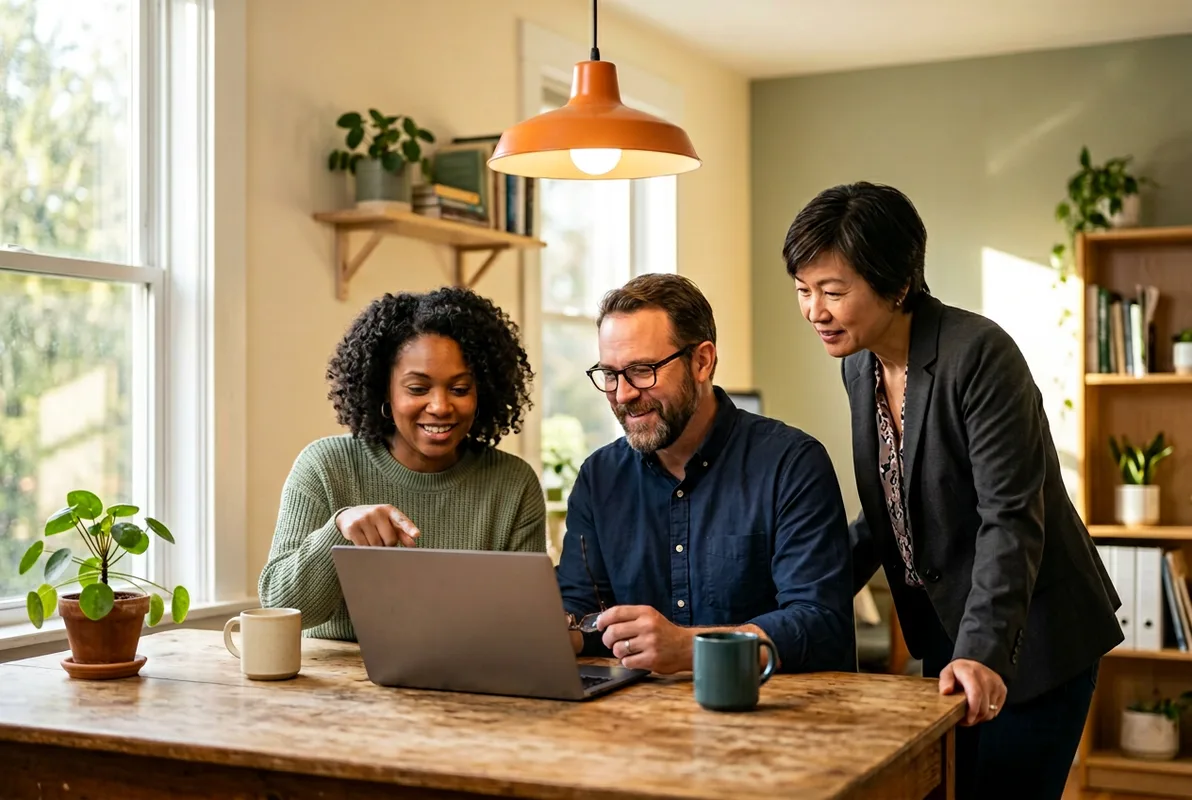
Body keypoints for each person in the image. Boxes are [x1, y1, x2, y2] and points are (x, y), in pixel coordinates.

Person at [783, 181, 1123, 798]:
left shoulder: (979, 355)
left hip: (1032, 634)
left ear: (896, 283)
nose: (814, 311)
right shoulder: (858, 365)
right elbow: (888, 509)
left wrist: (983, 652)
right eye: (804, 290)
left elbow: (1010, 517)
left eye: (833, 291)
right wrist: (793, 600)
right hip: (949, 631)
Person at [555, 273, 855, 675]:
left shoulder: (792, 464)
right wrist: (549, 630)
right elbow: (583, 615)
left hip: (771, 708)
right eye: (610, 374)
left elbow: (819, 624)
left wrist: (690, 647)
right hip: (633, 710)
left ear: (702, 361)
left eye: (642, 370)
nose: (623, 394)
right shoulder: (599, 478)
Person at [258, 287, 546, 640]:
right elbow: (279, 607)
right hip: (336, 673)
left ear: (482, 392)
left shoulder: (513, 484)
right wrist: (338, 530)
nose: (440, 406)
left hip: (462, 670)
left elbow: (521, 624)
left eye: (459, 389)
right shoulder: (325, 466)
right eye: (417, 389)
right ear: (385, 390)